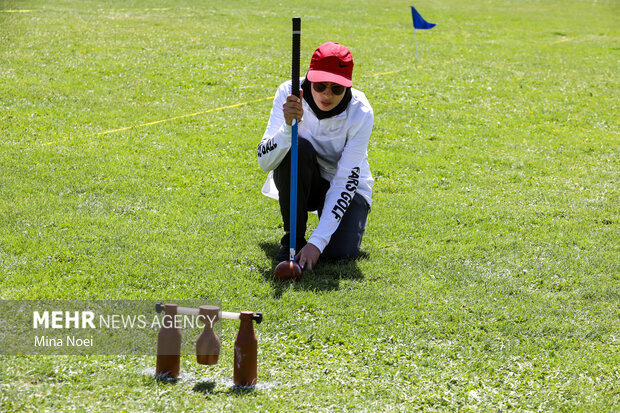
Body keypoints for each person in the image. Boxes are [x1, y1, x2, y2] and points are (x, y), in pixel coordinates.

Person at [257, 42, 374, 271]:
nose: (326, 95)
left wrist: (317, 243)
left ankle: (319, 236)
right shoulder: (287, 92)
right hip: (304, 179)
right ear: (310, 79)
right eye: (320, 85)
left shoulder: (361, 112)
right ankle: (293, 238)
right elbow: (264, 162)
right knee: (297, 147)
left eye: (337, 89)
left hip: (345, 185)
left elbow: (345, 180)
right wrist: (286, 130)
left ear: (348, 87)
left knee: (339, 254)